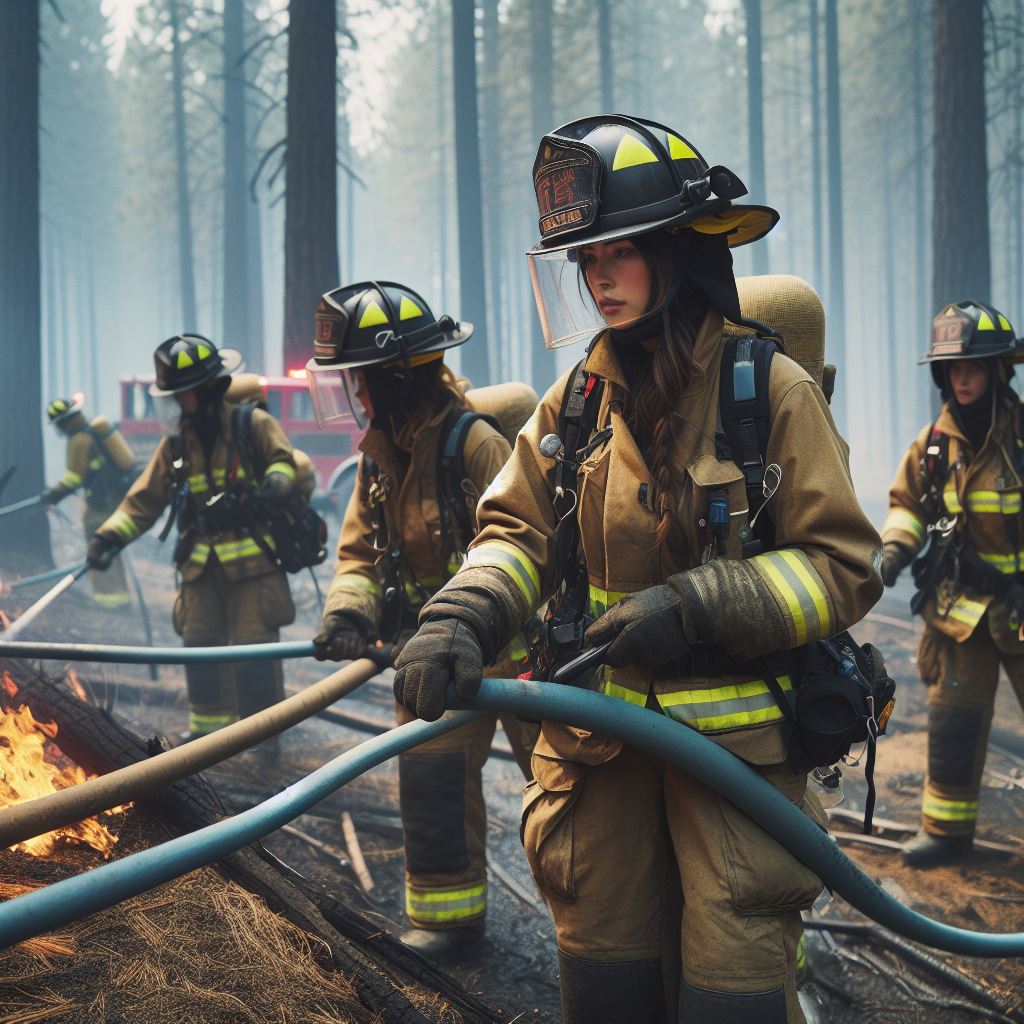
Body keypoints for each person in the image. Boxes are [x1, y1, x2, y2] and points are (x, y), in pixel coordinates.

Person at [393, 115, 882, 1023]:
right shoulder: (577, 401)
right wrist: (461, 617)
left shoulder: (764, 392)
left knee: (728, 997)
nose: (597, 277)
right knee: (607, 989)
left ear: (675, 252)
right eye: (582, 259)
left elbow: (843, 565)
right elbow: (515, 533)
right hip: (598, 766)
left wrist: (700, 605)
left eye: (617, 251)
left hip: (735, 772)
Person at [305, 281, 536, 959]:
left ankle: (607, 930)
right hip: (429, 653)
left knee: (566, 789)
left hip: (517, 647)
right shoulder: (378, 461)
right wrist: (348, 613)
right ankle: (448, 917)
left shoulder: (477, 443)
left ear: (395, 379)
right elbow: (357, 554)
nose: (353, 397)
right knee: (429, 778)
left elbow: (528, 542)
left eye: (358, 382)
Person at [88, 335, 298, 742]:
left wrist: (273, 485)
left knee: (254, 654)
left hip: (253, 565)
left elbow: (283, 463)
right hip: (199, 566)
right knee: (199, 647)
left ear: (208, 391)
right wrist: (108, 538)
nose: (174, 405)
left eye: (181, 395)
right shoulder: (177, 444)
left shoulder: (251, 425)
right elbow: (144, 501)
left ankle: (262, 741)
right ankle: (208, 742)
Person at [881, 300, 1024, 867]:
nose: (962, 379)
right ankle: (946, 833)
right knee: (954, 721)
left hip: (1019, 605)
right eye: (953, 370)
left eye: (973, 369)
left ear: (997, 371)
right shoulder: (932, 446)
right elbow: (907, 505)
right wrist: (894, 549)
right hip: (960, 611)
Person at [43, 396, 134, 608]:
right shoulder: (91, 435)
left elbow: (74, 478)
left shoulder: (78, 440)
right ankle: (120, 597)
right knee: (109, 544)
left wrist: (52, 494)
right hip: (111, 499)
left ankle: (109, 600)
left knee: (99, 541)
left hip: (101, 503)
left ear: (63, 422)